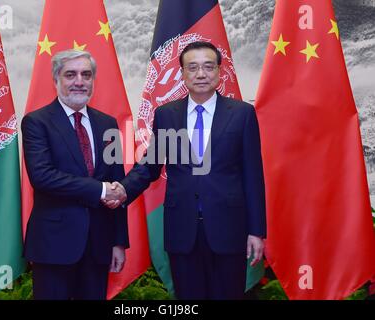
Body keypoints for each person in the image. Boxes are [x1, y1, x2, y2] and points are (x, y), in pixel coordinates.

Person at [106, 41, 266, 299]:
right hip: (183, 230)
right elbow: (150, 165)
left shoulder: (242, 114)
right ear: (182, 74)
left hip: (229, 228)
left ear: (219, 72)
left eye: (208, 67)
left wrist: (256, 230)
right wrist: (123, 189)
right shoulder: (167, 114)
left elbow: (253, 175)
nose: (201, 74)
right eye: (192, 68)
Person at [21, 49, 128, 300]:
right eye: (71, 74)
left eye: (86, 75)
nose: (79, 81)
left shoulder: (108, 124)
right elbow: (43, 176)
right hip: (53, 246)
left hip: (99, 245)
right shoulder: (37, 122)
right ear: (56, 79)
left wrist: (118, 241)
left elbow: (117, 182)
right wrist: (100, 190)